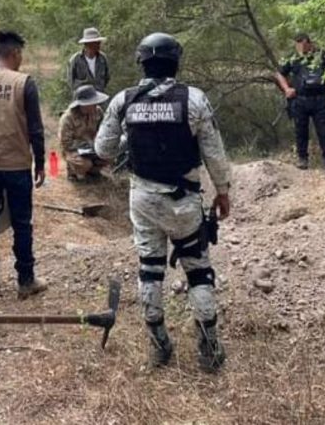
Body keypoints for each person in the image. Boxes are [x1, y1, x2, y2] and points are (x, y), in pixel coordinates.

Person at [95, 32, 232, 373]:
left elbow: (102, 150)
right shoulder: (194, 99)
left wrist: (129, 138)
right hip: (185, 200)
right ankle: (209, 349)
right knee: (199, 272)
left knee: (150, 271)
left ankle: (159, 346)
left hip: (142, 199)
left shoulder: (123, 100)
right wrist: (223, 190)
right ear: (175, 61)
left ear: (142, 62)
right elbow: (214, 153)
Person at [0, 30, 48, 298]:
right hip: (16, 166)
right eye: (21, 54)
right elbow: (36, 129)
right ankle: (26, 280)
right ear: (14, 54)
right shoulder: (24, 83)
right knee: (22, 223)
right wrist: (40, 163)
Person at [275, 33, 325, 172]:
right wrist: (286, 89)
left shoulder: (323, 56)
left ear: (310, 43)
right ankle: (302, 158)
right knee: (300, 130)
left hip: (320, 99)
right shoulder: (292, 58)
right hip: (300, 99)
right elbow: (279, 73)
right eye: (298, 45)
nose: (301, 48)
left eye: (304, 44)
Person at [58, 85, 109, 181]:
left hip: (94, 147)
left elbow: (104, 130)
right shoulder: (68, 118)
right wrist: (87, 145)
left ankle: (93, 172)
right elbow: (66, 143)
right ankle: (73, 171)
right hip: (73, 150)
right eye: (92, 102)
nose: (95, 104)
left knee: (108, 156)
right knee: (85, 164)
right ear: (83, 104)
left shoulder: (98, 112)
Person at [68, 27, 110, 93]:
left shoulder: (102, 59)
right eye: (95, 43)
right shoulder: (75, 60)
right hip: (82, 97)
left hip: (99, 95)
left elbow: (107, 78)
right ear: (87, 45)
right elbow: (71, 81)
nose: (98, 45)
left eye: (98, 43)